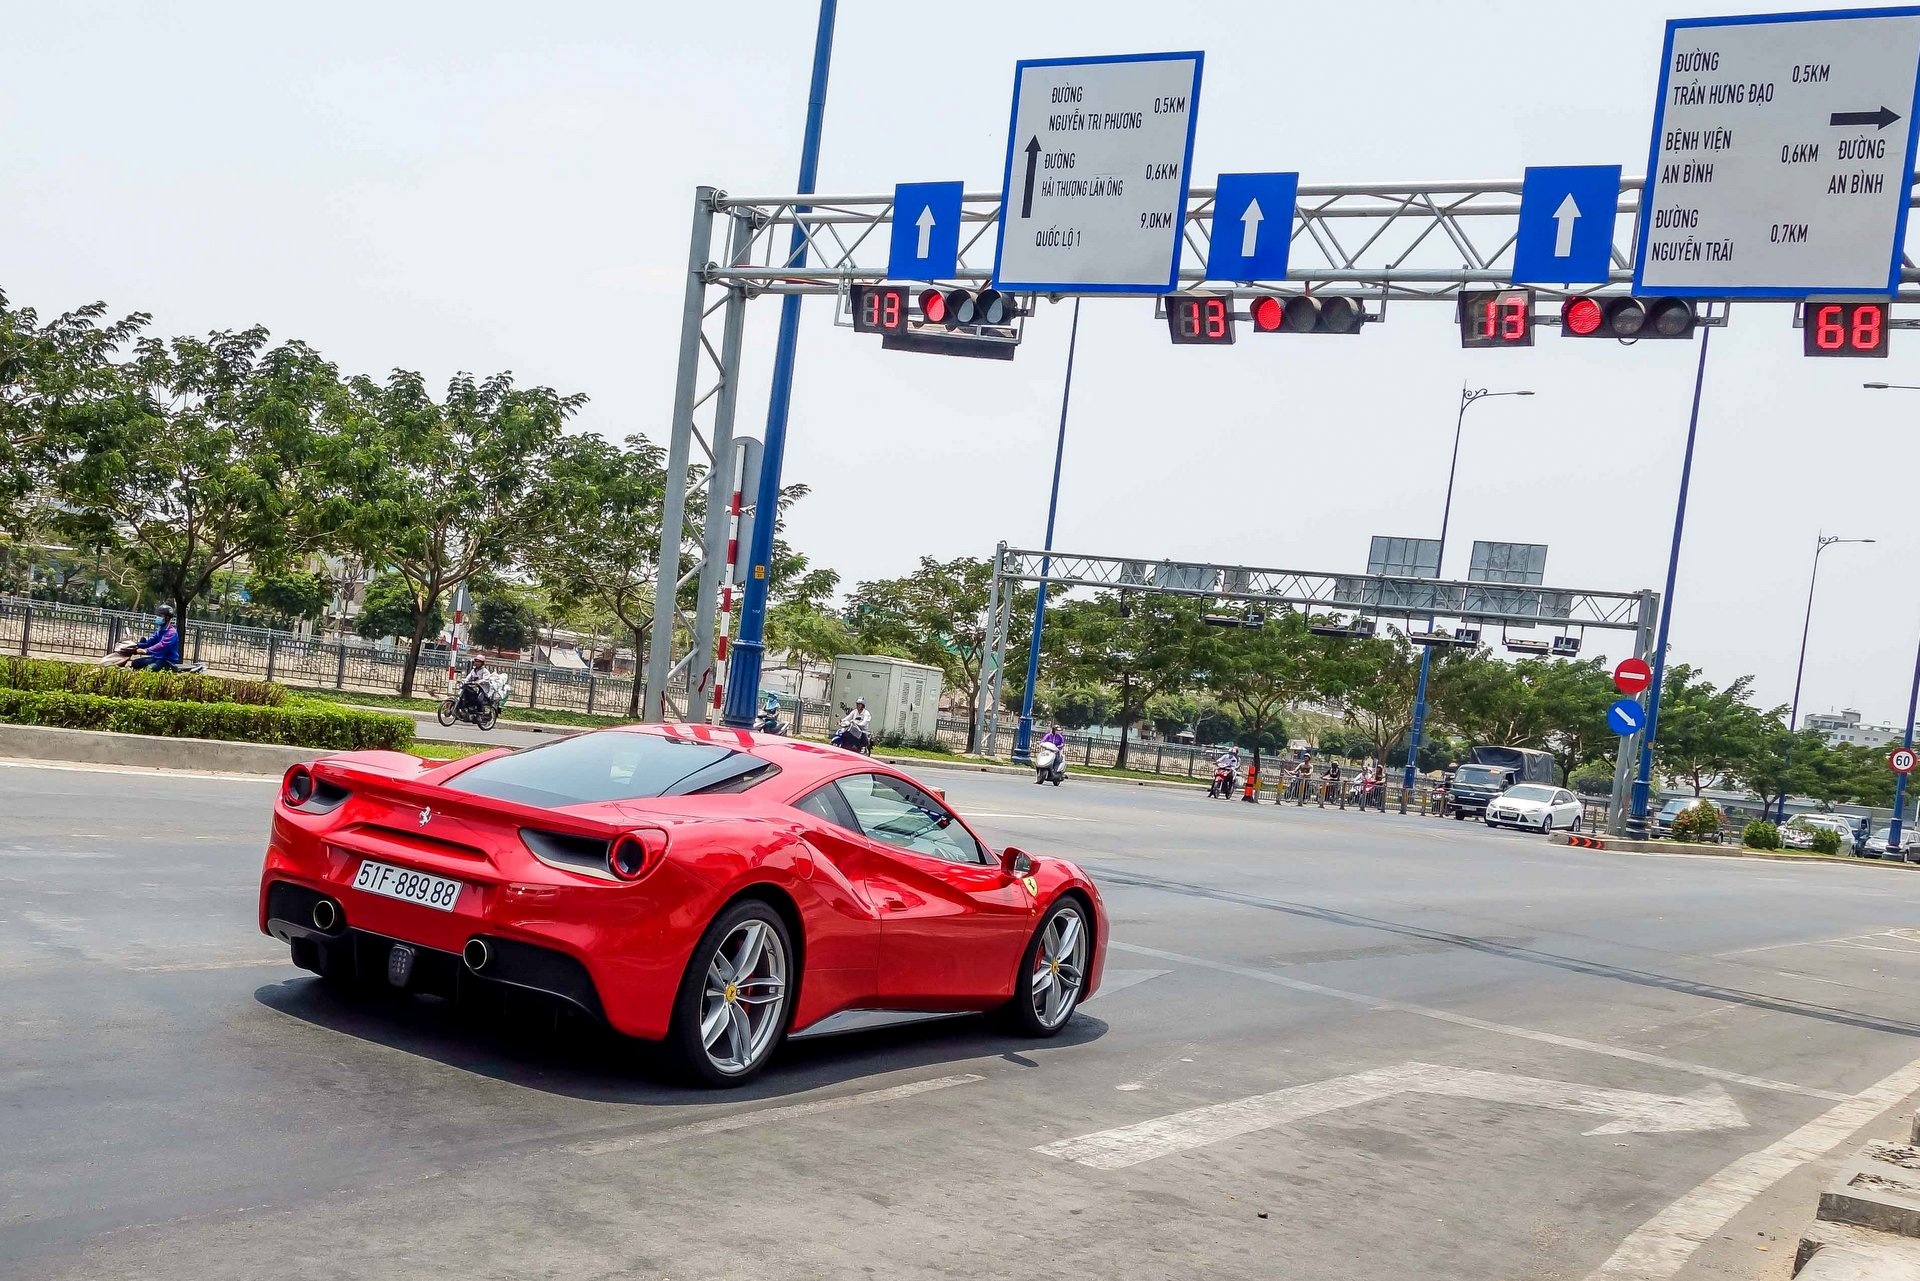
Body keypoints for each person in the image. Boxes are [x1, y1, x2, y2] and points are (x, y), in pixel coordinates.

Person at [129, 605, 182, 671]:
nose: (158, 618)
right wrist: (134, 645)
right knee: (135, 663)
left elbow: (162, 645)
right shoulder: (160, 630)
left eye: (160, 616)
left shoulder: (172, 632)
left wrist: (146, 650)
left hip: (168, 661)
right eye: (157, 615)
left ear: (167, 618)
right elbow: (149, 642)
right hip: (157, 658)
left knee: (148, 669)